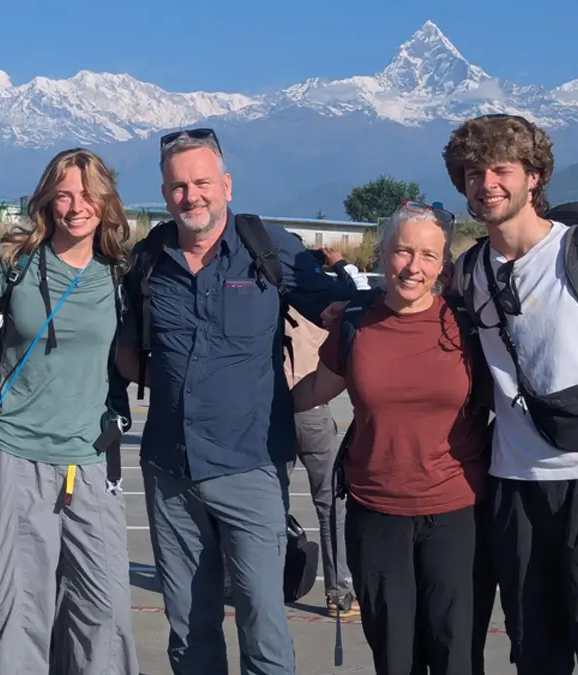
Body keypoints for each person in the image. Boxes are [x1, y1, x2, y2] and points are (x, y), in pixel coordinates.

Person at [115, 127, 362, 675]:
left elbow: (341, 308)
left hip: (251, 466)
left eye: (201, 182)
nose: (190, 196)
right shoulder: (148, 259)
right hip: (169, 469)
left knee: (264, 625)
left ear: (225, 185)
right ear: (164, 191)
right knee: (188, 628)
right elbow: (124, 348)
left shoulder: (266, 248)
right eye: (178, 186)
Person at [442, 113, 578, 674]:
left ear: (535, 176)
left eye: (501, 169)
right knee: (534, 650)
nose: (486, 183)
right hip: (515, 488)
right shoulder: (469, 271)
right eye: (471, 172)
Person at [292, 201, 493, 675]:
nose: (413, 267)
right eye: (403, 251)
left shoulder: (467, 326)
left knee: (454, 655)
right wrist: (250, 408)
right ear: (383, 254)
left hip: (455, 513)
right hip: (376, 513)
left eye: (427, 255)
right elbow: (317, 387)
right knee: (394, 657)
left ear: (443, 264)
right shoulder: (356, 322)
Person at [0, 148, 139, 673]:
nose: (75, 205)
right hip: (17, 456)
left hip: (90, 461)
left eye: (87, 194)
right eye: (63, 194)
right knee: (20, 612)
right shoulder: (15, 263)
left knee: (104, 614)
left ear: (105, 201)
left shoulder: (121, 276)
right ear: (46, 201)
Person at [283, 233, 359, 617]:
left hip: (274, 406)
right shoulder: (323, 296)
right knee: (330, 503)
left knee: (267, 503)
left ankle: (263, 579)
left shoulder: (270, 294)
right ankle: (338, 591)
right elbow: (356, 289)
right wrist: (336, 262)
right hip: (312, 403)